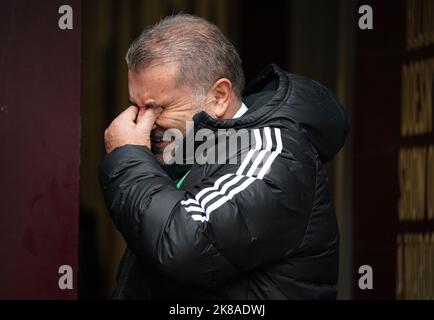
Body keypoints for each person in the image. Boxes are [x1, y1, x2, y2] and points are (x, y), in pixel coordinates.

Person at [100, 14, 348, 299]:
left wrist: (127, 156)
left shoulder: (272, 154)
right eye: (136, 106)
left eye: (157, 108)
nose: (141, 122)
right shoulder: (184, 149)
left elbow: (186, 243)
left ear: (218, 96)